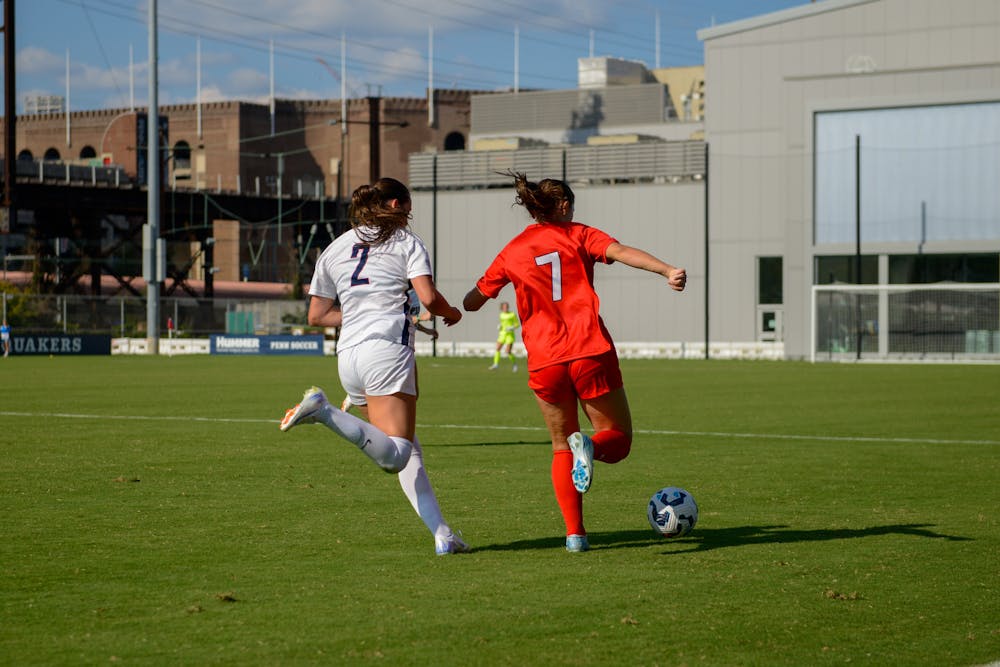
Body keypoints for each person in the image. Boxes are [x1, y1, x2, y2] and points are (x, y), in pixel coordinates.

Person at [462, 171, 686, 553]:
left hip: (545, 360)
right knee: (617, 441)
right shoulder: (579, 234)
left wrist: (463, 304)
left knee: (560, 446)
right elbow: (622, 252)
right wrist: (666, 269)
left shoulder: (512, 250)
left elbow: (473, 300)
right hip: (588, 350)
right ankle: (591, 449)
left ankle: (575, 536)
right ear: (563, 205)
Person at [280, 177, 470, 556]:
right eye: (409, 207)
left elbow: (317, 315)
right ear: (396, 205)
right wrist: (452, 313)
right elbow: (429, 298)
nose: (410, 215)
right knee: (395, 456)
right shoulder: (406, 242)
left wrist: (363, 313)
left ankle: (443, 534)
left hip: (348, 355)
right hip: (386, 351)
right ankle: (324, 411)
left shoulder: (335, 247)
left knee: (406, 447)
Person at [488, 301, 520, 372]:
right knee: (497, 348)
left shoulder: (512, 314)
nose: (505, 308)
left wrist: (512, 327)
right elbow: (502, 323)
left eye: (506, 306)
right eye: (504, 307)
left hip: (510, 335)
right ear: (502, 308)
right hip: (502, 334)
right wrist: (500, 326)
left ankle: (515, 365)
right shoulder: (501, 315)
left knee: (508, 351)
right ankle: (495, 364)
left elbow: (517, 324)